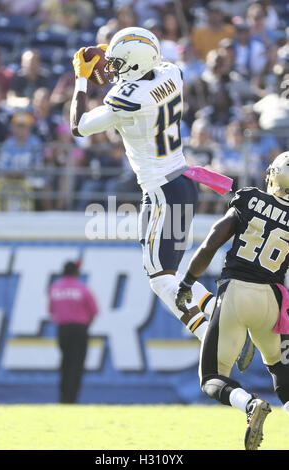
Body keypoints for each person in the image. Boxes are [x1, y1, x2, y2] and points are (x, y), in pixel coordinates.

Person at [70, 26, 254, 367]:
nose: (111, 67)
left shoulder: (126, 98)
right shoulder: (172, 73)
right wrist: (112, 55)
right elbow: (141, 69)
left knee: (159, 279)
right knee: (171, 272)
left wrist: (81, 78)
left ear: (135, 65)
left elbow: (78, 125)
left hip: (160, 190)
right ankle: (218, 315)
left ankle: (210, 334)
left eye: (118, 62)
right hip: (184, 181)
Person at [175, 152, 289, 450]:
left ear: (273, 175)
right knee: (280, 369)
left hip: (237, 292)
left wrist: (187, 281)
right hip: (274, 300)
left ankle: (249, 404)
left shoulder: (250, 199)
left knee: (212, 377)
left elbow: (213, 241)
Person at [48, 261, 98, 404]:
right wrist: (85, 325)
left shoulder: (55, 288)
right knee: (77, 365)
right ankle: (72, 399)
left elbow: (52, 311)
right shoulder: (82, 289)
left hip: (63, 329)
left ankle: (63, 398)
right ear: (76, 272)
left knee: (65, 363)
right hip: (80, 329)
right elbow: (94, 311)